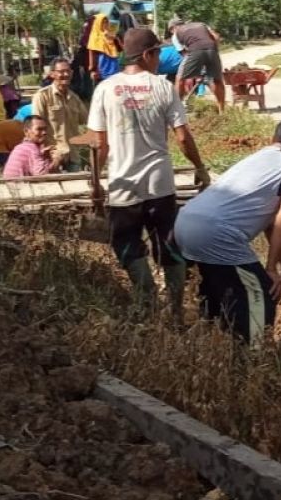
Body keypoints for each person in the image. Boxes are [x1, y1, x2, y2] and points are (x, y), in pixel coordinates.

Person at [87, 27, 210, 313]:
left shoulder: (105, 89)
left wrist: (95, 182)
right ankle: (176, 310)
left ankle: (148, 298)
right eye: (157, 52)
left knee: (127, 243)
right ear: (147, 54)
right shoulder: (163, 87)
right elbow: (182, 137)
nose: (159, 58)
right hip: (160, 185)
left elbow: (98, 144)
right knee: (168, 245)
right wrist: (200, 168)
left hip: (122, 185)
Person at [173, 118, 281, 346]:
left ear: (274, 140)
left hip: (185, 223)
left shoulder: (259, 159)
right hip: (217, 233)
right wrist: (270, 269)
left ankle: (213, 352)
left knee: (218, 294)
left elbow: (271, 221)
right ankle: (253, 362)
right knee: (263, 296)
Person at [32, 57, 89, 171]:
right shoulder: (43, 96)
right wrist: (43, 152)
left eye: (68, 71)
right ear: (52, 74)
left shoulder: (74, 98)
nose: (66, 74)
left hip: (73, 155)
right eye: (61, 71)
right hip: (52, 155)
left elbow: (86, 120)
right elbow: (36, 127)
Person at [170, 16, 227, 112]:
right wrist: (213, 51)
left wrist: (198, 67)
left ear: (173, 28)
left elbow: (185, 54)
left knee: (180, 78)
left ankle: (177, 110)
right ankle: (222, 110)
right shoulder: (201, 24)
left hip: (195, 50)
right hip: (212, 49)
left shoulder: (176, 34)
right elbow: (216, 37)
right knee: (217, 80)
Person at [86, 13, 121, 82]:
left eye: (106, 22)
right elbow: (92, 55)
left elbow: (119, 49)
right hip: (101, 71)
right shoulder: (94, 37)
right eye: (103, 22)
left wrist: (113, 38)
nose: (105, 24)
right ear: (98, 23)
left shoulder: (111, 35)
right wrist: (93, 70)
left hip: (114, 68)